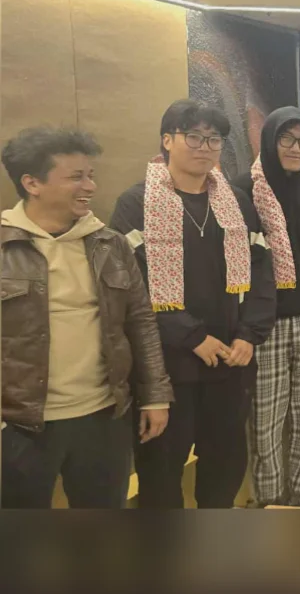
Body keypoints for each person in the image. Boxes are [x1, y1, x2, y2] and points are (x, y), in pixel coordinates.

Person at [112, 99, 276, 508]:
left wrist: (250, 334)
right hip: (169, 368)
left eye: (214, 139)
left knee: (224, 468)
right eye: (194, 137)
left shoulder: (235, 201)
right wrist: (191, 336)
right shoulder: (136, 203)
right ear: (167, 140)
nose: (205, 147)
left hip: (231, 362)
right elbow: (132, 288)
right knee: (161, 472)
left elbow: (262, 272)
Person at [0, 127, 173, 509]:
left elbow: (140, 321)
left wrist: (155, 396)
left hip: (103, 416)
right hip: (20, 426)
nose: (90, 186)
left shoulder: (110, 243)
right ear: (32, 183)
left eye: (90, 175)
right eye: (76, 177)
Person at [232, 107, 300, 508]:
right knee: (265, 417)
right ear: (269, 140)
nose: (296, 148)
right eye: (287, 139)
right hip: (265, 323)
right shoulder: (242, 190)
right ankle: (269, 499)